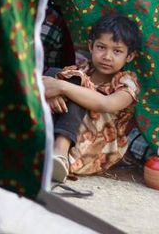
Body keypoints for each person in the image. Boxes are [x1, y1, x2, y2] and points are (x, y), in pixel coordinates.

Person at [42, 15, 142, 183]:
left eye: (117, 51)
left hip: (93, 148)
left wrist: (62, 87)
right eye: (101, 47)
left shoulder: (127, 83)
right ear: (91, 46)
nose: (107, 56)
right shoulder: (82, 70)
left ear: (129, 56)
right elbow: (46, 83)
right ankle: (48, 149)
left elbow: (105, 103)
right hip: (65, 129)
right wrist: (53, 94)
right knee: (53, 73)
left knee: (74, 85)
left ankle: (60, 152)